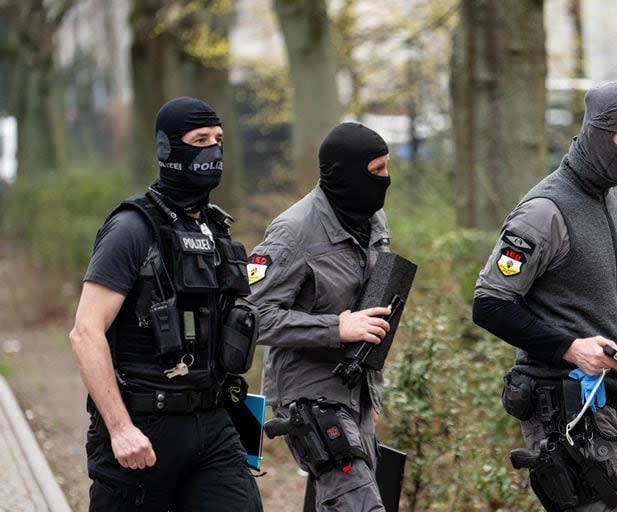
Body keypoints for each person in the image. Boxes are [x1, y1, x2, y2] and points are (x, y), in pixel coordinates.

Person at [473, 81, 617, 511]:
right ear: (598, 135)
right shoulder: (544, 211)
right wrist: (571, 349)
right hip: (565, 408)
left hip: (616, 405)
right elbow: (488, 305)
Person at [69, 96, 262, 511]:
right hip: (143, 426)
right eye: (200, 139)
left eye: (218, 139)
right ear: (167, 149)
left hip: (213, 425)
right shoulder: (131, 228)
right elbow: (85, 332)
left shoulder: (216, 231)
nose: (213, 151)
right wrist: (120, 429)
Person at [247, 122, 393, 511]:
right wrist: (336, 328)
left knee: (340, 499)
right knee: (360, 504)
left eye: (386, 168)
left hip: (357, 388)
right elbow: (250, 315)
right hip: (306, 394)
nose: (386, 179)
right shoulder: (292, 231)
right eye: (376, 171)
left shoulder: (373, 220)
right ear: (344, 173)